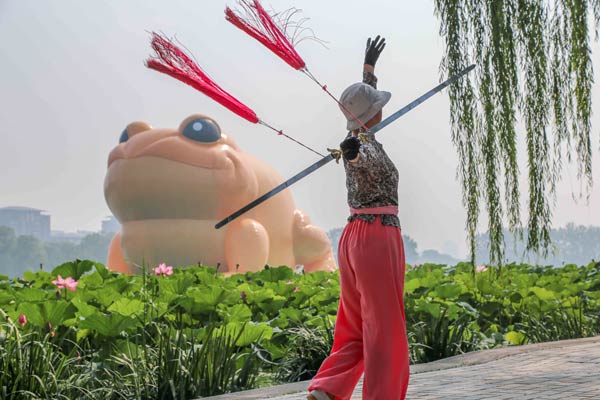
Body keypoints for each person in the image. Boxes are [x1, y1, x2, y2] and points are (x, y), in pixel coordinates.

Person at [307, 35, 410, 400]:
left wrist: (368, 72)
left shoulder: (359, 135)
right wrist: (351, 154)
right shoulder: (361, 147)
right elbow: (358, 157)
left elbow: (362, 111)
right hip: (378, 237)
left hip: (353, 239)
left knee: (354, 325)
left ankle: (328, 390)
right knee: (386, 330)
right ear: (373, 115)